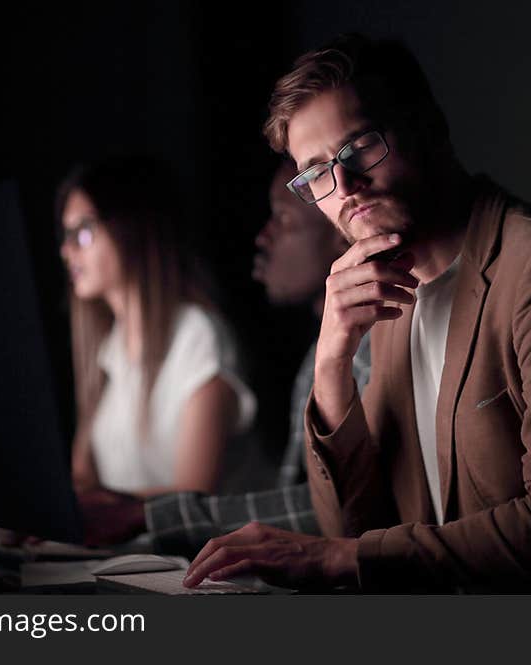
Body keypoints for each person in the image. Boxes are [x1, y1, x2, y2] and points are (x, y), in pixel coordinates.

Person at [183, 34, 531, 592]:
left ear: (430, 127)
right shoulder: (387, 297)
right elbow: (358, 533)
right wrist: (331, 363)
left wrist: (335, 559)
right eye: (316, 173)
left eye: (359, 147)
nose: (346, 186)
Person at [77, 161, 372, 555]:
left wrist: (143, 514)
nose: (263, 237)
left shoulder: (201, 336)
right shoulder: (315, 361)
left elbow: (331, 513)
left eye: (282, 218)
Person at [56, 156, 256, 501]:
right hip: (131, 554)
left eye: (83, 231)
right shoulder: (108, 350)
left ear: (131, 228)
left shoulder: (197, 336)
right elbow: (82, 480)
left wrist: (101, 506)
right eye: (65, 234)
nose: (66, 250)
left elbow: (195, 495)